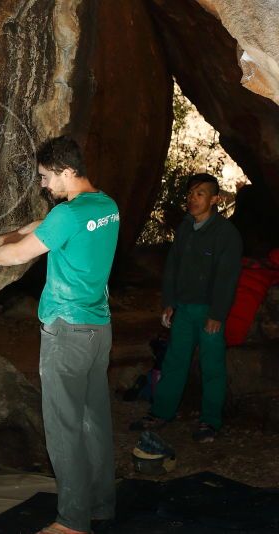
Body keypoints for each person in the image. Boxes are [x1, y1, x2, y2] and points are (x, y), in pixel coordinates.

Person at [0, 136, 119, 534]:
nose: (43, 185)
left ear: (67, 171)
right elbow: (40, 229)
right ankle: (100, 505)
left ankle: (72, 522)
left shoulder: (69, 215)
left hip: (67, 331)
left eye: (45, 177)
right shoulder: (104, 206)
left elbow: (24, 253)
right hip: (98, 330)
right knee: (95, 421)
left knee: (63, 428)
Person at [131, 173, 242, 443]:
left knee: (212, 367)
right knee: (174, 362)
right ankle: (161, 412)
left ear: (215, 199)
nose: (193, 198)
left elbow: (227, 278)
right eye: (191, 193)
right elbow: (172, 268)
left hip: (209, 312)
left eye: (201, 194)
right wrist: (169, 302)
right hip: (183, 308)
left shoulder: (226, 234)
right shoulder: (184, 228)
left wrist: (217, 314)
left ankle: (209, 422)